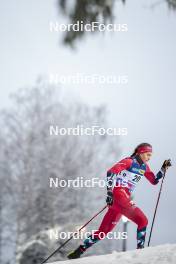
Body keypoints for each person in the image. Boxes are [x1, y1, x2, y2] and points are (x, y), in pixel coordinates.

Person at [67, 143, 171, 259]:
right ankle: (141, 252)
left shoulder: (144, 167)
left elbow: (154, 181)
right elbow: (111, 172)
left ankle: (78, 251)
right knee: (143, 221)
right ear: (140, 152)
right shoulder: (129, 161)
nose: (149, 157)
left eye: (151, 155)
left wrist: (163, 169)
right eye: (147, 154)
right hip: (119, 194)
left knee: (103, 231)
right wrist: (110, 192)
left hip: (121, 201)